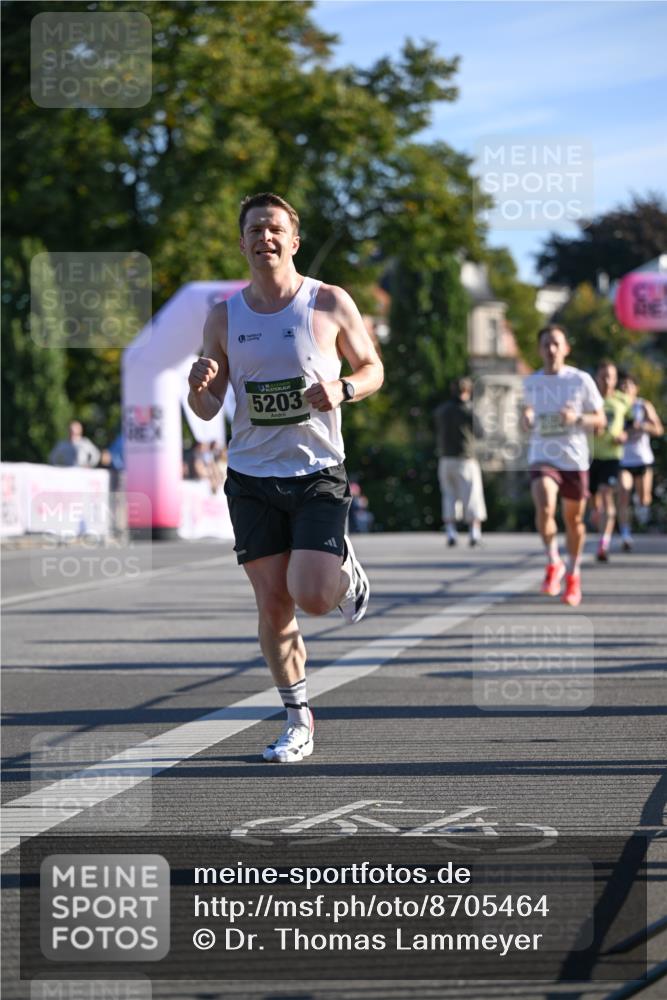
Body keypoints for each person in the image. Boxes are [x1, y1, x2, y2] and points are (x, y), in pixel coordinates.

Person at [187, 192, 384, 763]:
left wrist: (344, 388)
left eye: (275, 229)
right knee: (274, 606)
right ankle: (297, 717)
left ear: (293, 241)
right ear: (242, 242)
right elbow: (207, 409)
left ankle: (344, 572)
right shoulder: (224, 317)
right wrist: (198, 386)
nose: (264, 238)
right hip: (250, 476)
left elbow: (373, 368)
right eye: (254, 230)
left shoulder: (327, 302)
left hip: (317, 471)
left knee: (314, 597)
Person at [522, 325, 605, 607]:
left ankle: (573, 573)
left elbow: (600, 421)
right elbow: (525, 414)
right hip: (542, 455)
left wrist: (576, 419)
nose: (551, 349)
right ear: (539, 349)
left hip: (574, 459)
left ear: (566, 348)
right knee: (544, 503)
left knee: (574, 521)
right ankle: (552, 561)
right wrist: (526, 418)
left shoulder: (580, 380)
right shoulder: (530, 382)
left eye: (556, 343)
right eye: (546, 344)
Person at [434, 376, 487, 547]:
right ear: (468, 391)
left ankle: (451, 531)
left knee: (449, 495)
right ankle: (474, 532)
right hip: (465, 459)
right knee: (471, 495)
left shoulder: (442, 410)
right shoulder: (468, 410)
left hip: (445, 459)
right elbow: (481, 432)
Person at [589, 361, 633, 561]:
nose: (606, 381)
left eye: (610, 377)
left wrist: (625, 434)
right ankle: (595, 513)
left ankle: (603, 543)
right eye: (603, 376)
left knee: (607, 496)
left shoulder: (623, 400)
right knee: (592, 502)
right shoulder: (589, 399)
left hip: (611, 457)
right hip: (588, 457)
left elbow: (633, 421)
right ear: (597, 378)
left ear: (616, 379)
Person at [617, 372, 664, 550]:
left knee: (644, 498)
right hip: (623, 460)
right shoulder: (616, 407)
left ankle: (640, 506)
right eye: (622, 386)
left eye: (629, 386)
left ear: (636, 388)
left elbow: (658, 429)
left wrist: (643, 425)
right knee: (623, 495)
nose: (625, 389)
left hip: (642, 458)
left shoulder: (643, 406)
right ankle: (625, 534)